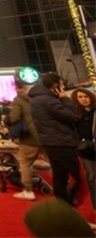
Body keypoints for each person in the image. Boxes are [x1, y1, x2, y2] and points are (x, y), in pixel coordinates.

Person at [29, 73, 80, 205]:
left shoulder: (35, 99)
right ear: (55, 86)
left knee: (59, 175)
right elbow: (72, 116)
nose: (63, 87)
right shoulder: (49, 100)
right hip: (61, 141)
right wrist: (66, 99)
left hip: (50, 141)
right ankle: (74, 203)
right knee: (77, 176)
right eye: (61, 84)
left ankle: (63, 204)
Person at [10, 81, 43, 201]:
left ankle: (28, 190)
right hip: (47, 135)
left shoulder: (19, 100)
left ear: (18, 88)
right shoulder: (40, 97)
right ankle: (64, 187)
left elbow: (14, 118)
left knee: (25, 164)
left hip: (29, 137)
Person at [72, 89, 96, 210]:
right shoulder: (76, 115)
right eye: (80, 97)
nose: (83, 99)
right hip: (87, 151)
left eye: (86, 96)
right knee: (92, 179)